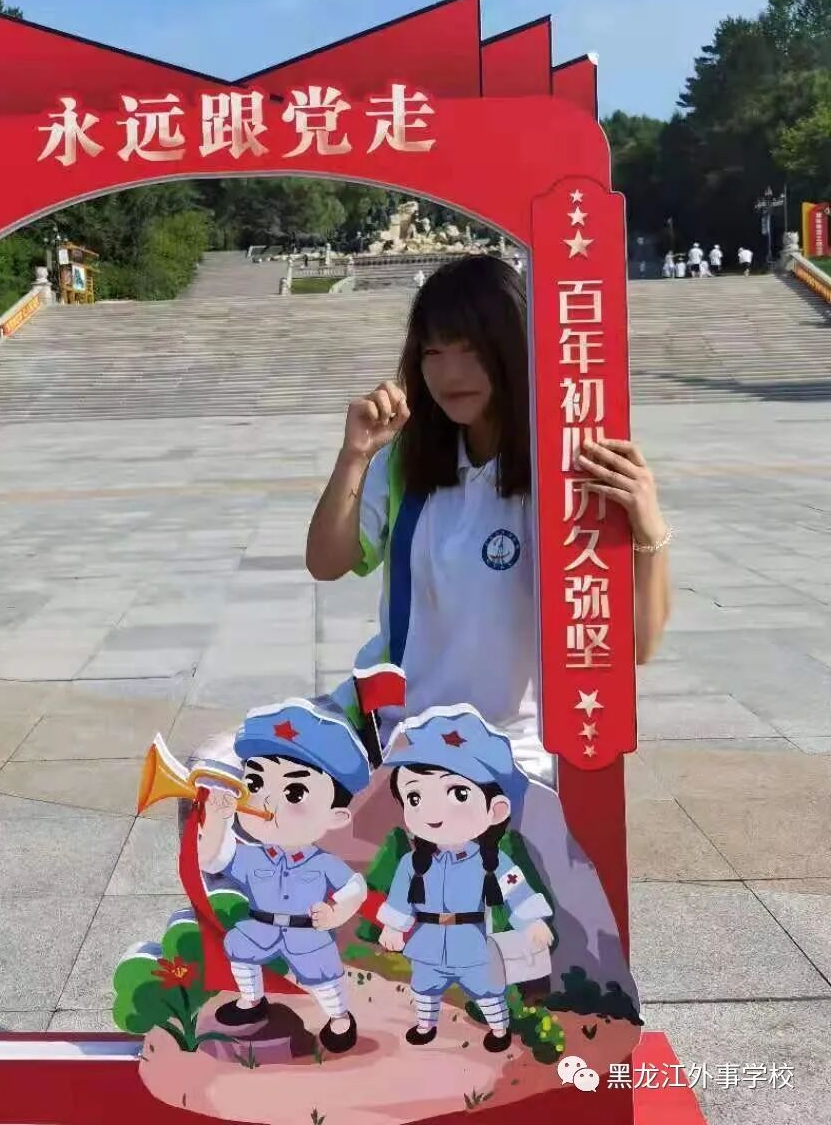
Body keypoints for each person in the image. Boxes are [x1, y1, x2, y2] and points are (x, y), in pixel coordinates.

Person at [305, 253, 671, 779]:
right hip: (395, 725)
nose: (449, 373)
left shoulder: (570, 470)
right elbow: (325, 563)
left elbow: (636, 645)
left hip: (514, 748)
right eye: (433, 351)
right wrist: (355, 455)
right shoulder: (408, 459)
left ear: (514, 347)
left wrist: (649, 532)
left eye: (471, 349)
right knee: (227, 781)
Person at [197, 699, 370, 1053]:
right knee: (240, 948)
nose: (265, 803)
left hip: (307, 933)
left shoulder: (322, 862)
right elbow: (212, 860)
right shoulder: (252, 855)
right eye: (255, 782)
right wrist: (217, 822)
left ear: (336, 817)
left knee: (323, 976)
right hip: (260, 925)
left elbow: (356, 886)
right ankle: (251, 1001)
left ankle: (339, 1018)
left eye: (294, 792)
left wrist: (337, 912)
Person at [378, 707, 553, 1049]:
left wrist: (531, 922)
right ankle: (426, 1026)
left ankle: (499, 1030)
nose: (431, 811)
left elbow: (515, 888)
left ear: (495, 810)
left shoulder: (491, 860)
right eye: (415, 796)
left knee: (486, 987)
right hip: (428, 937)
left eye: (458, 794)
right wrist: (394, 927)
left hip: (472, 940)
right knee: (424, 984)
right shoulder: (413, 863)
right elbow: (400, 897)